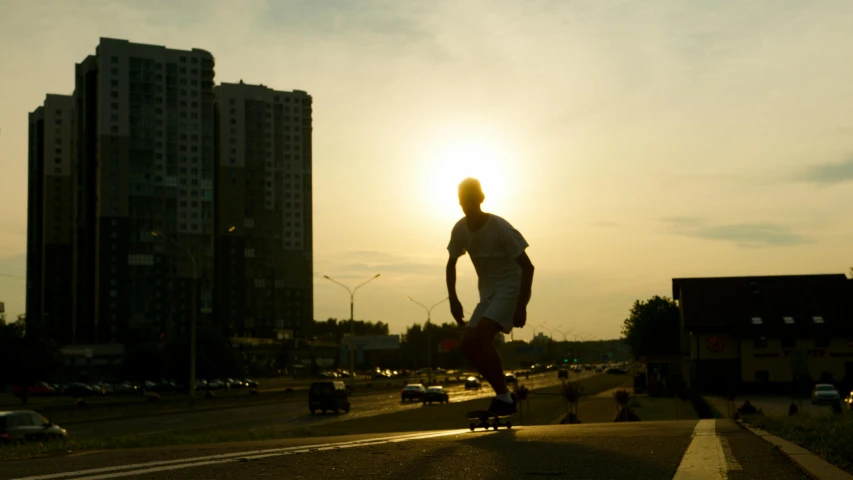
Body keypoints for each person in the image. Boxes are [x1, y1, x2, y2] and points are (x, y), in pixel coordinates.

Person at [446, 177, 535, 416]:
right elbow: (451, 264)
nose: (465, 204)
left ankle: (504, 399)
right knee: (467, 345)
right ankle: (503, 396)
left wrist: (521, 306)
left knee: (483, 335)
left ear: (480, 199)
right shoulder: (460, 229)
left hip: (511, 287)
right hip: (488, 293)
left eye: (470, 199)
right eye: (462, 200)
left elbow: (528, 267)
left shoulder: (500, 228)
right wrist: (452, 299)